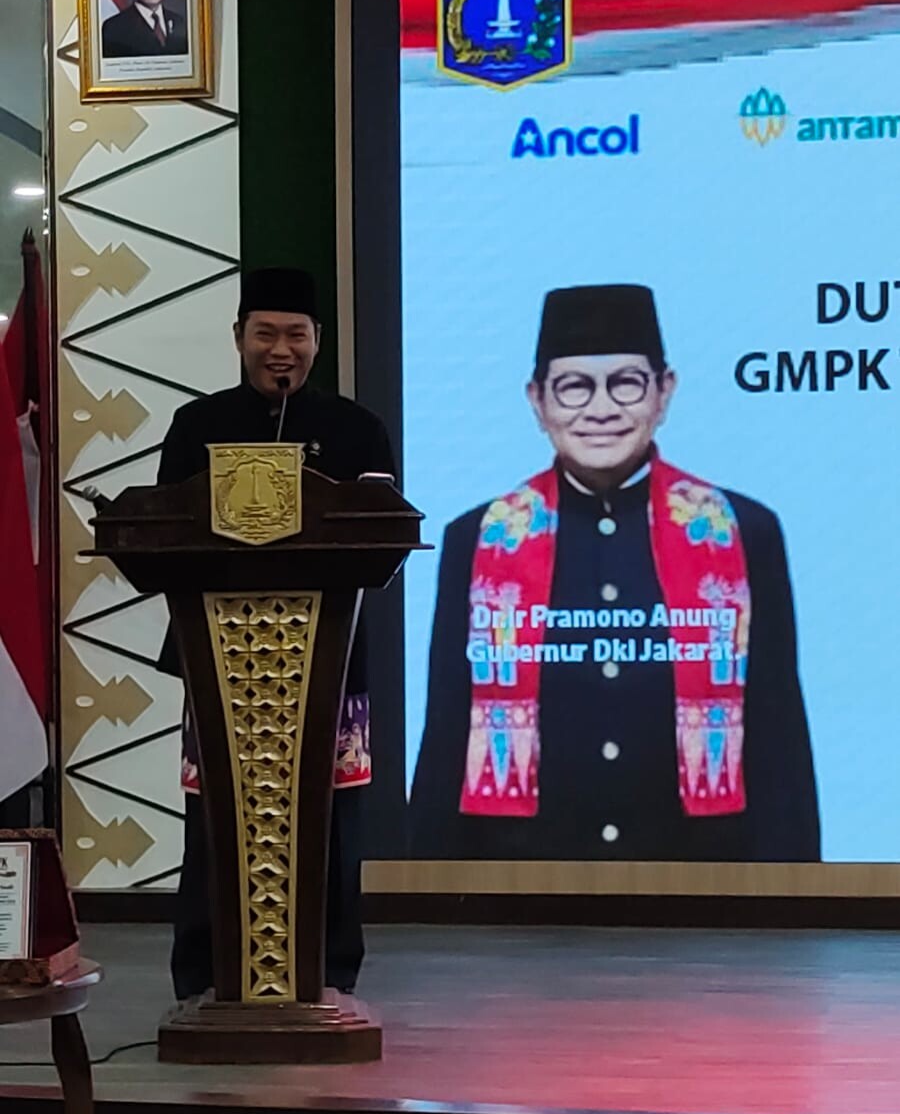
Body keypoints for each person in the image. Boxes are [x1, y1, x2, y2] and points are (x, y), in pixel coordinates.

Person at [409, 284, 819, 861]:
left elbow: (779, 737)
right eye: (573, 386)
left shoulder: (742, 530)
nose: (601, 409)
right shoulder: (480, 538)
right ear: (537, 400)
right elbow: (447, 736)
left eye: (626, 383)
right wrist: (425, 890)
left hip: (704, 872)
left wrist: (796, 892)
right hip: (522, 877)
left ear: (664, 392)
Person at [157, 266, 395, 1000]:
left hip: (326, 662)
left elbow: (384, 537)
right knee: (216, 823)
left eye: (296, 334)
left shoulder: (357, 429)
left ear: (317, 341)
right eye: (265, 334)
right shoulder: (196, 427)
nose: (280, 350)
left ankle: (331, 974)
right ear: (239, 338)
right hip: (220, 661)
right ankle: (205, 976)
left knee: (332, 823)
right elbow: (160, 530)